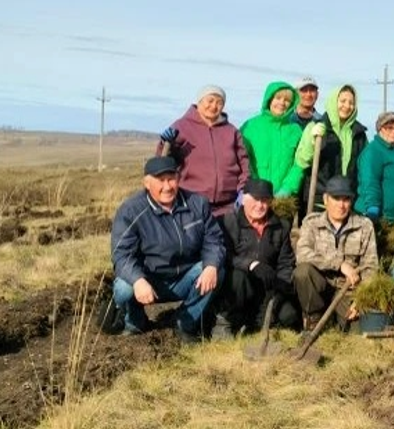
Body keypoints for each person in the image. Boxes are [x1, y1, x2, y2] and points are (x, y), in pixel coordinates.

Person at [109, 156, 225, 341]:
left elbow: (214, 240)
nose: (167, 186)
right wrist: (138, 280)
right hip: (149, 280)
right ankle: (134, 322)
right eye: (160, 180)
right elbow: (121, 255)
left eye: (171, 179)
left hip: (185, 278)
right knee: (124, 288)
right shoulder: (131, 210)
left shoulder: (197, 203)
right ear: (147, 183)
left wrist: (211, 265)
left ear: (178, 179)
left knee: (217, 269)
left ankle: (184, 321)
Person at [292, 175, 379, 331]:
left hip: (348, 291)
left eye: (346, 199)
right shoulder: (311, 223)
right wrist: (339, 265)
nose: (341, 205)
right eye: (336, 198)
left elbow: (370, 267)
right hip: (319, 288)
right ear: (325, 199)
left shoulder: (364, 226)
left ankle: (337, 322)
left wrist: (362, 299)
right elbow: (302, 254)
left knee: (357, 333)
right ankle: (313, 320)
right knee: (302, 272)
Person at [215, 178, 298, 337]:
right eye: (255, 199)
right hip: (239, 286)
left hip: (267, 287)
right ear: (244, 198)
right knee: (237, 278)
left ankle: (255, 320)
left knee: (289, 316)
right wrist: (251, 265)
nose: (260, 205)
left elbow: (285, 263)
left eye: (265, 200)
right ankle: (225, 321)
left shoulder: (281, 226)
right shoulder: (228, 222)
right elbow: (225, 255)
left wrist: (279, 288)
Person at [160, 85, 250, 217]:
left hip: (228, 206)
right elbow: (164, 161)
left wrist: (243, 189)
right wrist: (165, 144)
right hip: (192, 204)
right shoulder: (182, 126)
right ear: (200, 101)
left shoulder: (231, 131)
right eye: (210, 100)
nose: (214, 106)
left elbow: (244, 163)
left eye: (219, 102)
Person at [296, 84, 368, 215]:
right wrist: (312, 141)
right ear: (333, 101)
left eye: (351, 103)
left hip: (347, 202)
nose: (347, 106)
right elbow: (302, 161)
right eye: (342, 101)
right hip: (319, 201)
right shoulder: (316, 127)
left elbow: (364, 169)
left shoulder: (359, 134)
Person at [240, 82, 306, 200]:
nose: (282, 103)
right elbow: (243, 159)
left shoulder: (295, 130)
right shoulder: (250, 127)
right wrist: (254, 185)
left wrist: (288, 188)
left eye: (287, 100)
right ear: (269, 99)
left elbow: (299, 163)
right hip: (255, 195)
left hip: (284, 199)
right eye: (278, 98)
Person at [356, 112, 394, 225]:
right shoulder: (373, 151)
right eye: (389, 128)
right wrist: (372, 210)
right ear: (380, 129)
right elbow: (370, 182)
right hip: (378, 217)